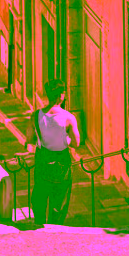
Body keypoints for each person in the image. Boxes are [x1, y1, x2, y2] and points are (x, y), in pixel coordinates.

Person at [27, 79, 80, 226]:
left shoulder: (35, 116)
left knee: (40, 194)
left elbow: (29, 139)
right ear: (61, 96)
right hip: (62, 161)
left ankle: (39, 223)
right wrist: (65, 139)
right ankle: (55, 227)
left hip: (43, 159)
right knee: (59, 198)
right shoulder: (69, 118)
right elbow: (76, 143)